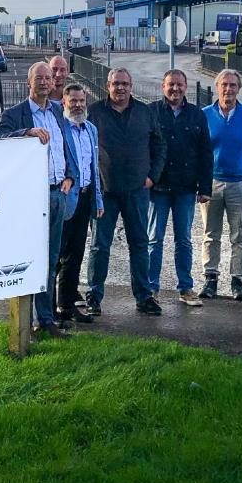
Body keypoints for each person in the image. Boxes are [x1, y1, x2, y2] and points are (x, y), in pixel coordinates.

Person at [0, 61, 78, 339]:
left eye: (48, 78)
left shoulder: (57, 112)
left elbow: (67, 147)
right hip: (30, 197)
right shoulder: (16, 114)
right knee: (28, 258)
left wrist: (70, 176)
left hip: (57, 195)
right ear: (29, 83)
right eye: (38, 78)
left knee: (51, 260)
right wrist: (25, 134)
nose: (44, 82)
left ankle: (46, 319)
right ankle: (24, 322)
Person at [87, 67, 167, 317]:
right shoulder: (94, 112)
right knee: (100, 245)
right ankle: (94, 295)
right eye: (115, 84)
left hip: (136, 190)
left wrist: (152, 177)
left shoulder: (144, 112)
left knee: (140, 244)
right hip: (105, 191)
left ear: (130, 87)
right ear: (107, 85)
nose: (120, 88)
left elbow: (159, 145)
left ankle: (143, 296)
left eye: (124, 84)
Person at [148, 69, 212, 307]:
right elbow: (144, 147)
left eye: (179, 85)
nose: (175, 89)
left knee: (184, 240)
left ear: (186, 87)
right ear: (163, 87)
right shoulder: (152, 111)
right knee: (154, 239)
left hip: (186, 188)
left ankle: (185, 288)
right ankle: (150, 288)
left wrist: (205, 187)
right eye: (170, 85)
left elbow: (206, 152)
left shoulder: (196, 114)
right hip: (158, 187)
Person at [199, 69, 242, 301]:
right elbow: (199, 150)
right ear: (217, 87)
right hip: (212, 181)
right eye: (224, 85)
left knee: (240, 234)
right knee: (210, 234)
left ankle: (238, 280)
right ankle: (210, 278)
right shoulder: (204, 115)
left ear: (239, 89)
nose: (228, 89)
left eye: (233, 85)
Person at [54, 83, 104, 324]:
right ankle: (48, 308)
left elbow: (94, 168)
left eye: (81, 101)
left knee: (76, 255)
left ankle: (66, 306)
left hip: (84, 198)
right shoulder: (59, 129)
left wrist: (98, 199)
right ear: (64, 102)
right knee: (57, 254)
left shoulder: (91, 129)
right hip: (65, 199)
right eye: (73, 101)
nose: (78, 105)